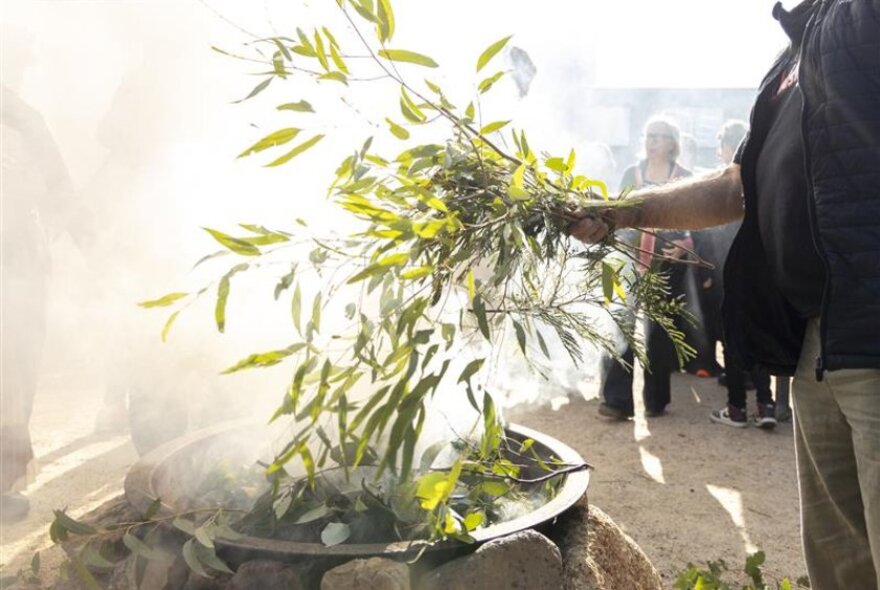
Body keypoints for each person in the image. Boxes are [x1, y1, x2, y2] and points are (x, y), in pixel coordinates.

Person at [570, 1, 880, 586]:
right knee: (842, 562)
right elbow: (739, 186)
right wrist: (620, 212)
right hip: (818, 339)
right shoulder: (792, 57)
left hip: (873, 328)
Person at [1, 26, 78, 523]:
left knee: (15, 374)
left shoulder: (25, 119)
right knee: (13, 372)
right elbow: (62, 193)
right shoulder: (23, 121)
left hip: (20, 265)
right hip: (17, 266)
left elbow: (61, 192)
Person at [597, 116, 696, 420]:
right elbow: (619, 214)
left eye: (658, 136)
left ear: (671, 143)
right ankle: (616, 401)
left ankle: (656, 400)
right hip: (629, 261)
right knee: (621, 327)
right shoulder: (632, 173)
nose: (650, 141)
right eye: (648, 135)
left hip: (666, 265)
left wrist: (685, 245)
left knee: (659, 334)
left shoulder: (685, 176)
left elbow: (696, 220)